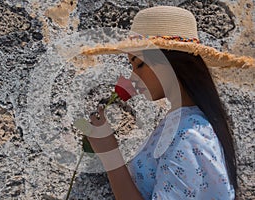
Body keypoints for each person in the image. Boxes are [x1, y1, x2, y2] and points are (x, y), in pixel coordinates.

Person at [79, 6, 254, 200]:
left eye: (139, 64)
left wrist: (110, 153)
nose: (133, 77)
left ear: (171, 61)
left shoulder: (190, 135)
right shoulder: (182, 124)